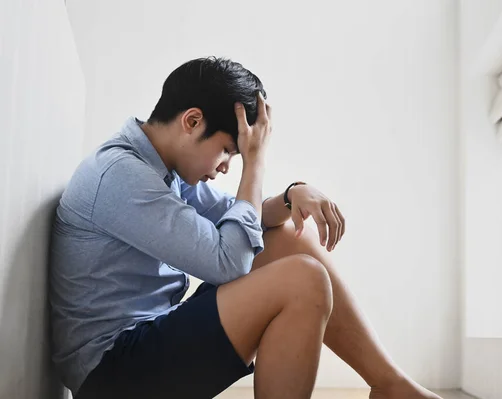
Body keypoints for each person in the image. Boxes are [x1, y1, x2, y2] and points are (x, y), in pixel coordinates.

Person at [49, 56, 442, 399]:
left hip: (146, 342)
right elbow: (229, 263)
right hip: (113, 375)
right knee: (303, 280)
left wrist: (292, 196)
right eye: (227, 151)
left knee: (289, 236)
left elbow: (240, 219)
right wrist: (256, 164)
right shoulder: (123, 176)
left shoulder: (161, 166)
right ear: (192, 121)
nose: (225, 167)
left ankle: (389, 383)